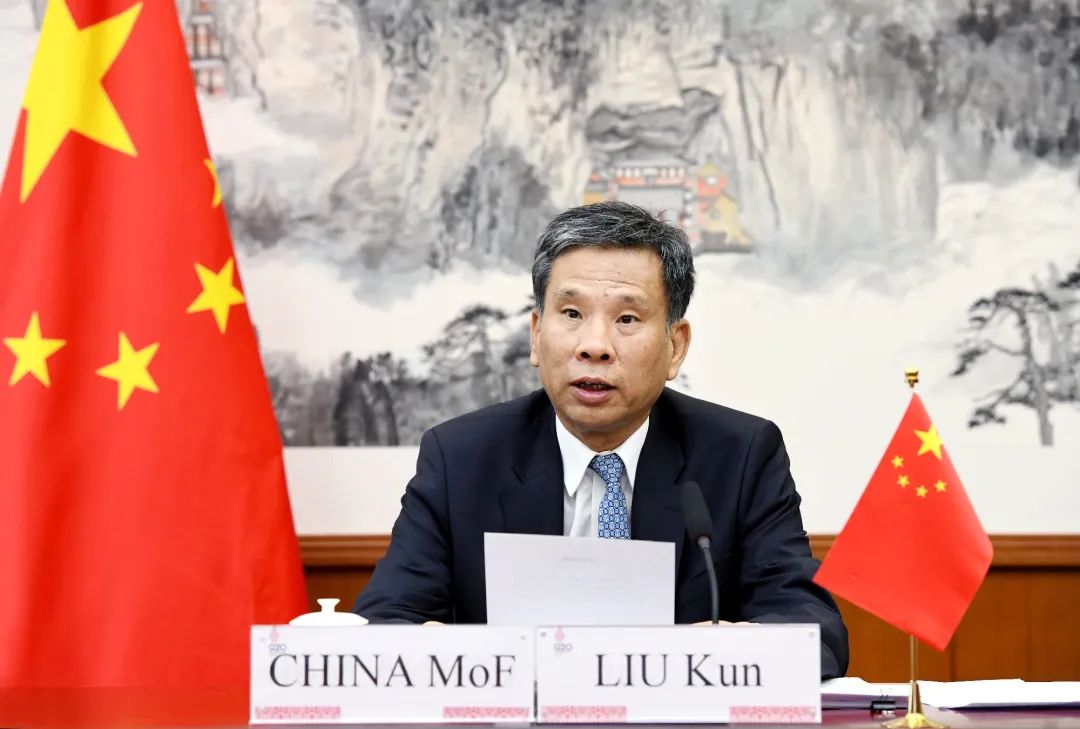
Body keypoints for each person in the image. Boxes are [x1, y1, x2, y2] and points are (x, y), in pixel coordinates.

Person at [354, 201, 849, 679]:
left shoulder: (740, 455)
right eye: (571, 313)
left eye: (627, 319)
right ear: (535, 334)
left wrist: (708, 654)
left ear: (675, 346)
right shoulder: (460, 457)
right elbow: (383, 624)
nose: (594, 346)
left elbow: (815, 633)